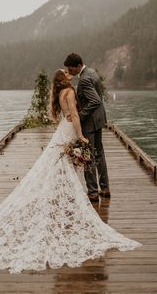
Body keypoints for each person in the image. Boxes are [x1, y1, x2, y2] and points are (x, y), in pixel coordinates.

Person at [0, 69, 142, 274]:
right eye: (66, 73)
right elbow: (75, 115)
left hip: (62, 129)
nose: (69, 73)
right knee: (61, 165)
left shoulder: (61, 93)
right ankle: (66, 196)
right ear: (64, 78)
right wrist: (81, 136)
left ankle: (61, 195)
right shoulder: (69, 91)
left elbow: (66, 114)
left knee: (58, 164)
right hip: (69, 130)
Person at [64, 53, 110, 202]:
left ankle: (92, 192)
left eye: (70, 69)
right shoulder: (92, 72)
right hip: (99, 120)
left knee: (88, 156)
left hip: (90, 123)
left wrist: (81, 115)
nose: (69, 72)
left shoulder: (84, 80)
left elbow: (95, 100)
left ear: (78, 66)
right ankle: (105, 188)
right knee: (99, 154)